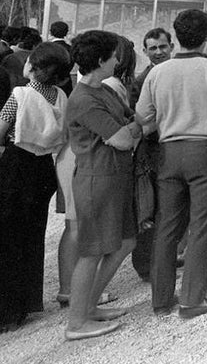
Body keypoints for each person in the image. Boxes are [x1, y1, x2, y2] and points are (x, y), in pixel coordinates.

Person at [135, 9, 207, 319]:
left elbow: (143, 115)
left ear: (177, 36)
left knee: (167, 227)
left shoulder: (158, 72)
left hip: (169, 151)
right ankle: (192, 299)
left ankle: (161, 300)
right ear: (206, 37)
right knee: (202, 225)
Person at [63, 30, 138, 341]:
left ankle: (90, 306)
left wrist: (131, 129)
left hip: (115, 176)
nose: (118, 60)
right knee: (92, 252)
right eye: (113, 55)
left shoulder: (104, 91)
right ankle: (76, 323)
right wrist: (133, 129)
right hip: (97, 180)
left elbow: (131, 123)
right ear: (100, 60)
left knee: (126, 241)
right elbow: (123, 137)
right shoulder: (84, 99)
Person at [0, 42, 70, 331]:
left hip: (15, 166)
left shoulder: (21, 95)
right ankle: (25, 304)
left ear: (33, 67)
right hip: (43, 169)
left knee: (7, 238)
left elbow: (1, 129)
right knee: (31, 236)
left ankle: (5, 311)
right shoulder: (60, 96)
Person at [130, 27, 172, 281]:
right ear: (145, 51)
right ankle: (146, 266)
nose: (158, 52)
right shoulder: (140, 82)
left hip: (177, 150)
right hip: (152, 154)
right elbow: (139, 123)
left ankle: (165, 259)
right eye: (153, 48)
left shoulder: (179, 73)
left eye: (162, 46)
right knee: (150, 210)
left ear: (172, 47)